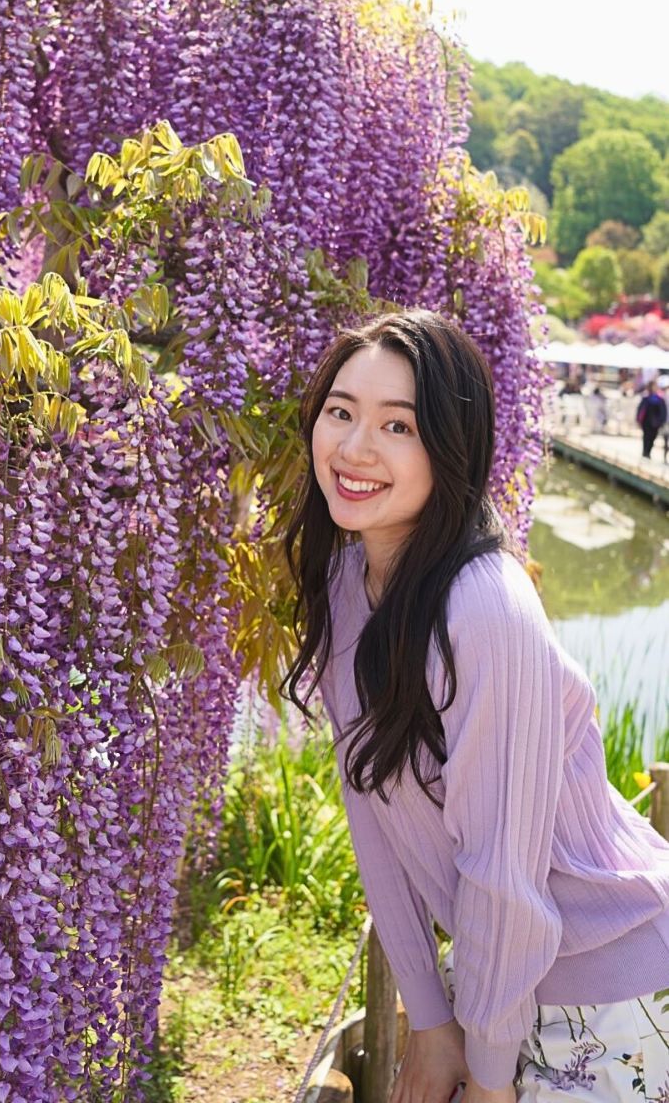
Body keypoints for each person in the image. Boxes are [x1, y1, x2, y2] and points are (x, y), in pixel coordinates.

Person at [281, 309, 669, 1103]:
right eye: (341, 411)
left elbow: (503, 871)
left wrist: (489, 1075)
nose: (355, 449)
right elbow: (373, 814)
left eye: (399, 426)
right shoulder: (346, 585)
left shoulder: (486, 608)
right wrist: (429, 1022)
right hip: (502, 971)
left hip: (612, 978)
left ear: (450, 449)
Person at [636, 382, 667, 459]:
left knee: (652, 437)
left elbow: (663, 412)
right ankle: (645, 452)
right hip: (646, 422)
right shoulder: (646, 398)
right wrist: (638, 420)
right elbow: (640, 410)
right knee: (646, 437)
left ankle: (648, 451)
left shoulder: (660, 399)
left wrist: (661, 421)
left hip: (655, 423)